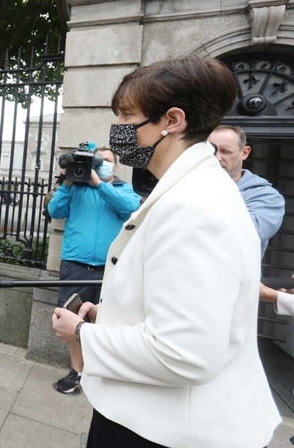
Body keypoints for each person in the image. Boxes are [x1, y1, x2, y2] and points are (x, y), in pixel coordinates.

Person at [52, 56, 280, 447]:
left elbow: (184, 352)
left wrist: (84, 334)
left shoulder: (193, 206)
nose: (119, 129)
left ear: (172, 120)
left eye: (127, 116)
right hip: (154, 416)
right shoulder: (190, 188)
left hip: (163, 429)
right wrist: (109, 315)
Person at [47, 146, 141, 394]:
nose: (103, 165)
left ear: (116, 166)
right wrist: (67, 182)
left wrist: (100, 184)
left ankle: (100, 370)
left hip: (109, 270)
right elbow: (54, 211)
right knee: (73, 318)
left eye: (107, 161)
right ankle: (76, 372)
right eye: (99, 161)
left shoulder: (122, 190)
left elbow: (131, 209)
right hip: (75, 266)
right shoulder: (76, 188)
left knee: (105, 320)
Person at [209, 124, 284, 255]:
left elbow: (245, 236)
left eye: (225, 151)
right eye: (211, 151)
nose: (216, 158)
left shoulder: (266, 196)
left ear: (244, 152)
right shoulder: (186, 185)